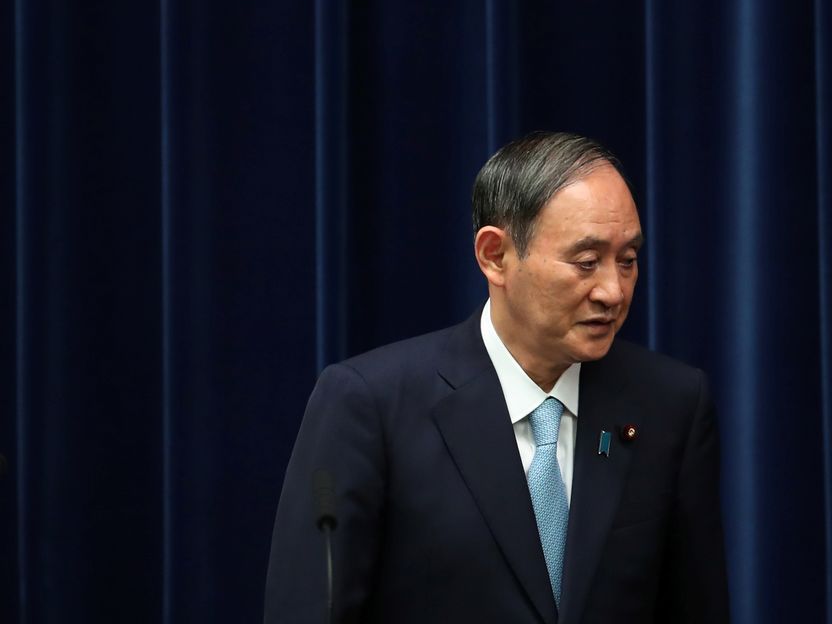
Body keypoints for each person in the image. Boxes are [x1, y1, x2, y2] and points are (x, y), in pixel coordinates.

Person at [263, 131, 729, 623]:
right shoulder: (371, 406)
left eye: (628, 261)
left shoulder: (670, 405)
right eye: (586, 263)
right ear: (494, 256)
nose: (612, 291)